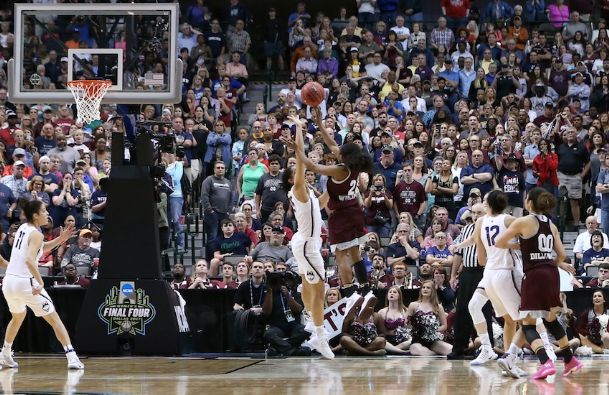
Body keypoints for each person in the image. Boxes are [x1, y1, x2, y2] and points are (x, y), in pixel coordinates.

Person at [496, 187, 582, 380]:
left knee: (527, 325)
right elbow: (561, 255)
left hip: (534, 275)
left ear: (529, 203)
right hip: (552, 274)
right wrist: (558, 264)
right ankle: (570, 360)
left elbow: (499, 242)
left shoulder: (523, 221)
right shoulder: (551, 224)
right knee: (551, 320)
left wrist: (518, 245)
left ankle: (545, 363)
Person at [296, 108, 374, 296]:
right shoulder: (355, 166)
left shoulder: (340, 169)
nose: (336, 151)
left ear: (344, 156)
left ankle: (349, 293)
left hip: (341, 214)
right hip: (354, 211)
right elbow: (332, 146)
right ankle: (365, 288)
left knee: (340, 255)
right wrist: (321, 125)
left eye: (340, 151)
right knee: (355, 253)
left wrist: (297, 149)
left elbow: (313, 166)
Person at [0, 200, 83, 369]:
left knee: (18, 317)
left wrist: (61, 238)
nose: (47, 213)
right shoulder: (36, 234)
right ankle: (72, 357)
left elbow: (40, 248)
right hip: (25, 283)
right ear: (36, 215)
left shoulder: (24, 228)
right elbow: (30, 260)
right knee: (54, 319)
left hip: (9, 282)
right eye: (44, 211)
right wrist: (40, 281)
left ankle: (5, 353)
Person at [281, 115, 333, 359]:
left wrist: (338, 185)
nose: (301, 172)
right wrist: (300, 129)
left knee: (308, 284)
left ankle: (311, 322)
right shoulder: (298, 189)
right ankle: (319, 336)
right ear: (293, 179)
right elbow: (301, 162)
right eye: (296, 171)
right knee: (319, 288)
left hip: (306, 242)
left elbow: (323, 203)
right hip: (307, 244)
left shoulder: (309, 195)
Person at [468, 190, 521, 368]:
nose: (482, 203)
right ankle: (489, 350)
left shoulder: (489, 221)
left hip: (497, 270)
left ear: (488, 204)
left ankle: (542, 349)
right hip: (498, 272)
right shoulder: (495, 221)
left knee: (518, 318)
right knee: (521, 317)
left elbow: (480, 259)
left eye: (484, 200)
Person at [447, 203, 494, 359]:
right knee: (462, 310)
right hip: (467, 272)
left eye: (479, 213)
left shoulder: (489, 229)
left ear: (486, 212)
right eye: (473, 213)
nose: (475, 216)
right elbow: (458, 254)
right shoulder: (466, 229)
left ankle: (488, 348)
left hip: (484, 272)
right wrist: (453, 275)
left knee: (484, 309)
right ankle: (458, 348)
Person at [406, 280, 452, 356]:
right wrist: (408, 323)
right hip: (418, 340)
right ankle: (434, 354)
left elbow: (444, 326)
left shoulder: (438, 306)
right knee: (417, 350)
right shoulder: (413, 305)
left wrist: (431, 330)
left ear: (433, 291)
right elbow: (407, 323)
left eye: (428, 288)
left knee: (451, 350)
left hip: (433, 340)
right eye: (423, 287)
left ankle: (435, 352)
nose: (425, 289)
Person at [376, 285, 412, 354]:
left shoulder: (405, 311)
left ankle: (394, 350)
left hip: (402, 340)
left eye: (395, 292)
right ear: (387, 296)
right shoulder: (382, 312)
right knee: (380, 341)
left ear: (399, 296)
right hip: (387, 340)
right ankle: (400, 351)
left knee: (412, 340)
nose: (392, 293)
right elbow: (379, 331)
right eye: (390, 292)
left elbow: (410, 329)